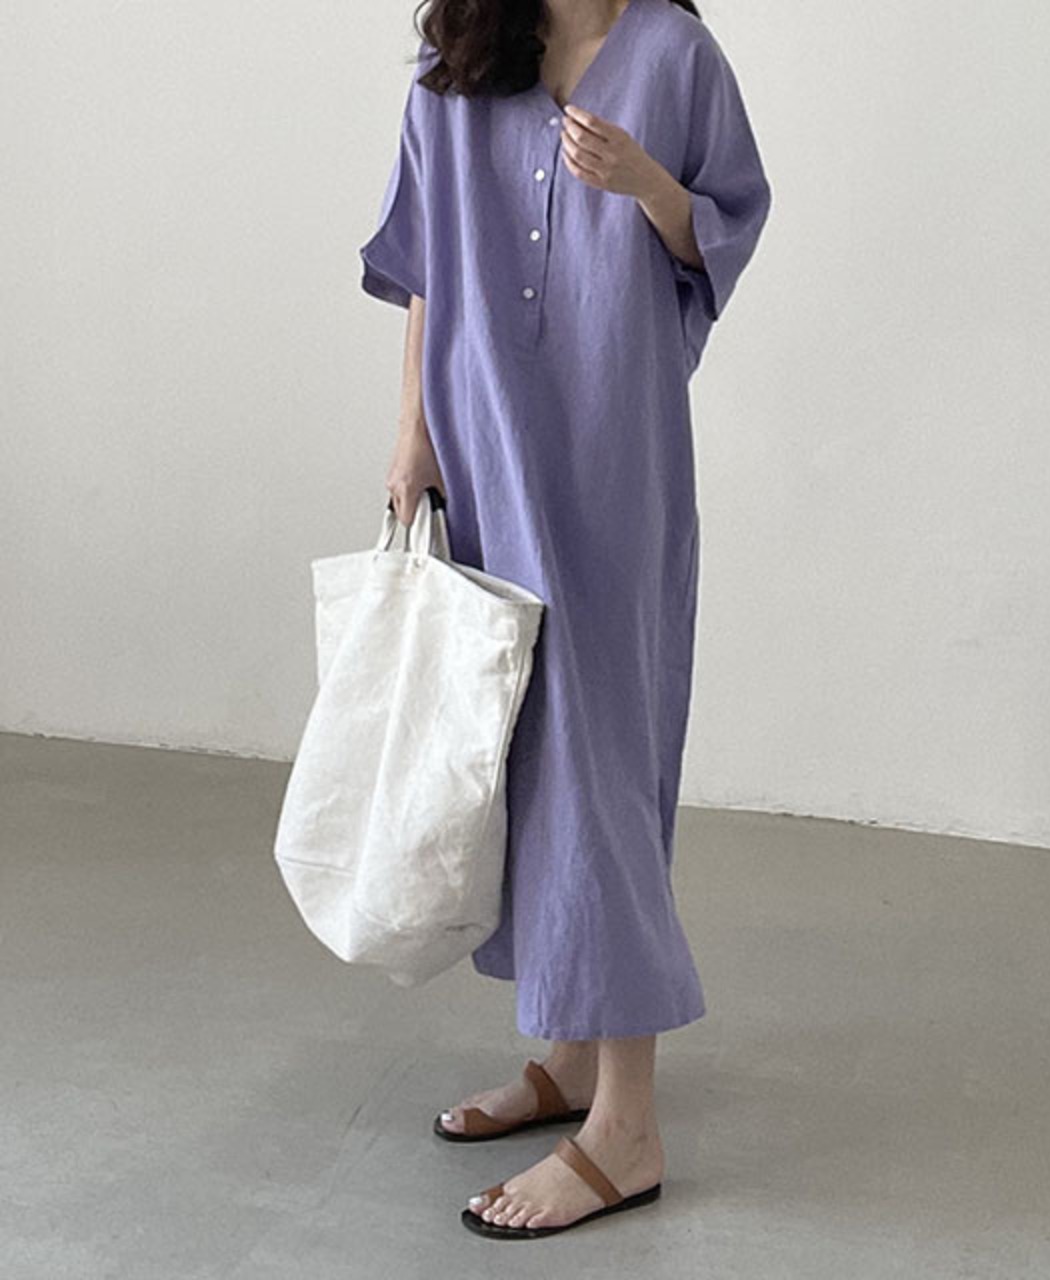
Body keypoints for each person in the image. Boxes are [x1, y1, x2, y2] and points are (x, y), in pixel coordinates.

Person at [361, 0, 771, 1239]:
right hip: (484, 442)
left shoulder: (676, 56)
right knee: (527, 749)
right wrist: (413, 435)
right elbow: (423, 261)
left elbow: (719, 233)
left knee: (602, 755)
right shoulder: (461, 55)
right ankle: (577, 1058)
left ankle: (627, 1124)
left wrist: (649, 184)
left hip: (609, 450)